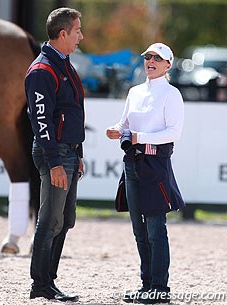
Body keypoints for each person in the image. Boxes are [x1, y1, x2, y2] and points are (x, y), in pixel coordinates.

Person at [106, 42, 185, 304]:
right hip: (132, 163)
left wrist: (139, 137)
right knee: (139, 230)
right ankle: (146, 284)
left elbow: (173, 133)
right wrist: (116, 129)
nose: (150, 60)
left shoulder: (172, 94)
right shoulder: (135, 91)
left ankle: (160, 288)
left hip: (155, 165)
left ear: (167, 64)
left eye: (156, 58)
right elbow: (125, 123)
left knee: (155, 228)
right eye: (147, 56)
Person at [25, 7, 85, 302]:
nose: (81, 36)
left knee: (66, 219)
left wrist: (79, 151)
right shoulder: (42, 70)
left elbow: (72, 112)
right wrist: (55, 163)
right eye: (77, 31)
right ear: (63, 34)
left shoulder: (64, 63)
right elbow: (41, 121)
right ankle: (41, 284)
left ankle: (49, 280)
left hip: (69, 152)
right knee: (50, 220)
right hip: (56, 154)